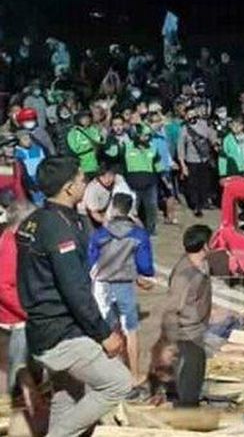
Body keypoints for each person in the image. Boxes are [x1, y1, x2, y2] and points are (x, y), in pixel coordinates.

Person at [16, 156, 131, 437]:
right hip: (61, 332)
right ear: (68, 188)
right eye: (81, 179)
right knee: (118, 383)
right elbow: (75, 289)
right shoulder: (58, 229)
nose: (85, 183)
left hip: (42, 327)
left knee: (68, 394)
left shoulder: (34, 221)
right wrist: (103, 333)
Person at [89, 193, 154, 391]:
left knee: (106, 330)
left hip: (102, 286)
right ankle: (134, 375)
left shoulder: (99, 234)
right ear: (130, 210)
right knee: (131, 330)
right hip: (124, 284)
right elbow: (145, 266)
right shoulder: (138, 235)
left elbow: (90, 261)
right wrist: (141, 275)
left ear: (113, 208)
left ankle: (106, 377)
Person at [0, 192, 46, 435]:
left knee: (21, 372)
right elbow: (4, 286)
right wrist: (28, 310)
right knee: (21, 373)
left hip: (17, 316)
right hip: (16, 320)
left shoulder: (12, 240)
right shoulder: (11, 245)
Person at [161, 224, 213, 407]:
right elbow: (171, 310)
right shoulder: (185, 275)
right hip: (187, 336)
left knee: (194, 378)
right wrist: (169, 344)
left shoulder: (200, 265)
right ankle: (185, 417)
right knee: (188, 387)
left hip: (196, 332)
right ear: (204, 246)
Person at [177, 106, 217, 218]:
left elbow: (211, 136)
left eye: (193, 114)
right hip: (191, 160)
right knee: (193, 184)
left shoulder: (203, 125)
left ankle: (204, 201)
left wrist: (215, 144)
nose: (191, 117)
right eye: (189, 115)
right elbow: (180, 148)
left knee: (204, 182)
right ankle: (196, 206)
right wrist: (183, 165)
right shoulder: (184, 129)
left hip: (204, 159)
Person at [123, 124, 162, 235]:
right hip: (132, 184)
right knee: (132, 209)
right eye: (144, 135)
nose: (146, 138)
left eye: (148, 135)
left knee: (151, 208)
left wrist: (163, 177)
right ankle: (130, 230)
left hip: (150, 183)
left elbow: (158, 164)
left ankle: (151, 230)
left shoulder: (153, 147)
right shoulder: (127, 147)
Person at [148, 112, 178, 225]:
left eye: (159, 121)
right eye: (154, 122)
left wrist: (171, 162)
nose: (158, 124)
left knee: (170, 192)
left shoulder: (163, 135)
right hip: (153, 169)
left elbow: (166, 152)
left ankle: (171, 216)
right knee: (152, 194)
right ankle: (152, 217)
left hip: (165, 169)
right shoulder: (148, 136)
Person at [67, 110, 104, 178]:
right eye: (84, 118)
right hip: (84, 164)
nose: (87, 120)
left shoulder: (93, 129)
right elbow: (75, 148)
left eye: (88, 117)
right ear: (78, 119)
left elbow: (100, 140)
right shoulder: (73, 133)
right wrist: (90, 146)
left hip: (98, 161)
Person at [14, 130, 46, 206]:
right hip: (30, 179)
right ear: (19, 141)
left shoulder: (38, 149)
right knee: (37, 200)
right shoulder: (17, 153)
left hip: (41, 176)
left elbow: (44, 162)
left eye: (29, 138)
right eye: (25, 139)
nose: (28, 141)